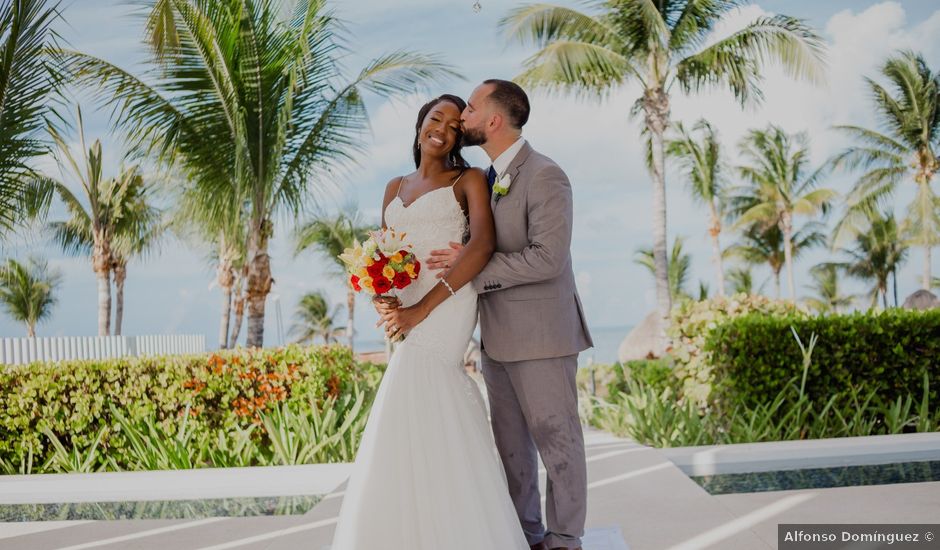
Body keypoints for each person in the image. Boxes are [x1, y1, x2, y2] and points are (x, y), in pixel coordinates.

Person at [327, 94, 529, 549]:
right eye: (436, 118)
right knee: (414, 402)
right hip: (407, 304)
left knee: (417, 381)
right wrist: (383, 295)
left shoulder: (469, 179)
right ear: (421, 124)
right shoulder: (392, 187)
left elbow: (481, 246)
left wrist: (421, 308)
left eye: (456, 125)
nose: (444, 128)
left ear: (461, 137)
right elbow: (386, 253)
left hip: (449, 300)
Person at [426, 79, 594, 550]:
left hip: (544, 337)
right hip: (495, 341)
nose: (465, 116)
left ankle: (564, 539)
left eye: (472, 108)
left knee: (557, 444)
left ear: (494, 120)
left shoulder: (545, 174)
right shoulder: (486, 178)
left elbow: (548, 258)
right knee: (513, 450)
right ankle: (526, 536)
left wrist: (472, 270)